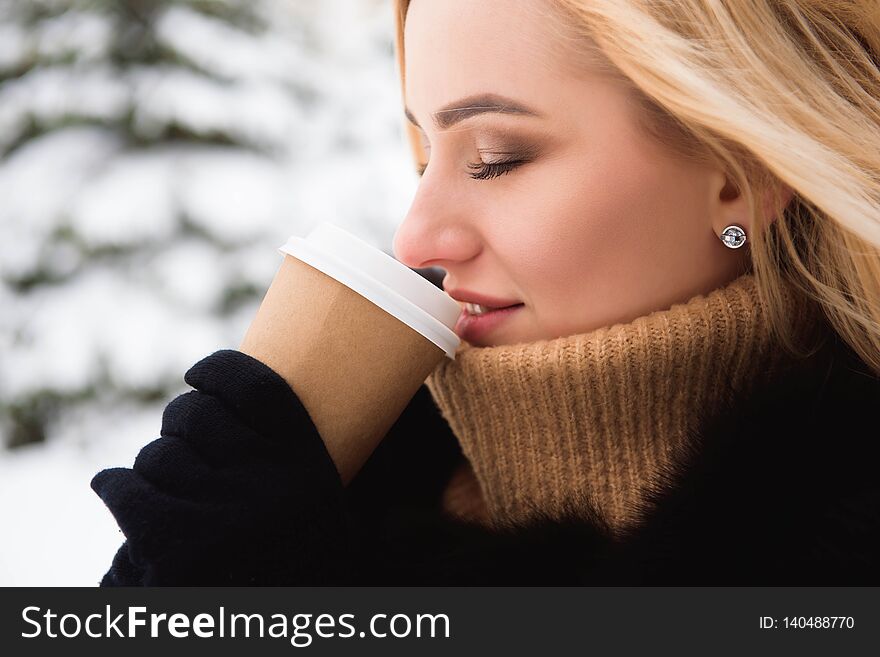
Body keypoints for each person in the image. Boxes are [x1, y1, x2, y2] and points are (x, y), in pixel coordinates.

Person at [91, 0, 880, 585]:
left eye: (497, 157)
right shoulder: (338, 489)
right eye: (424, 153)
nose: (415, 237)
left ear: (743, 168)